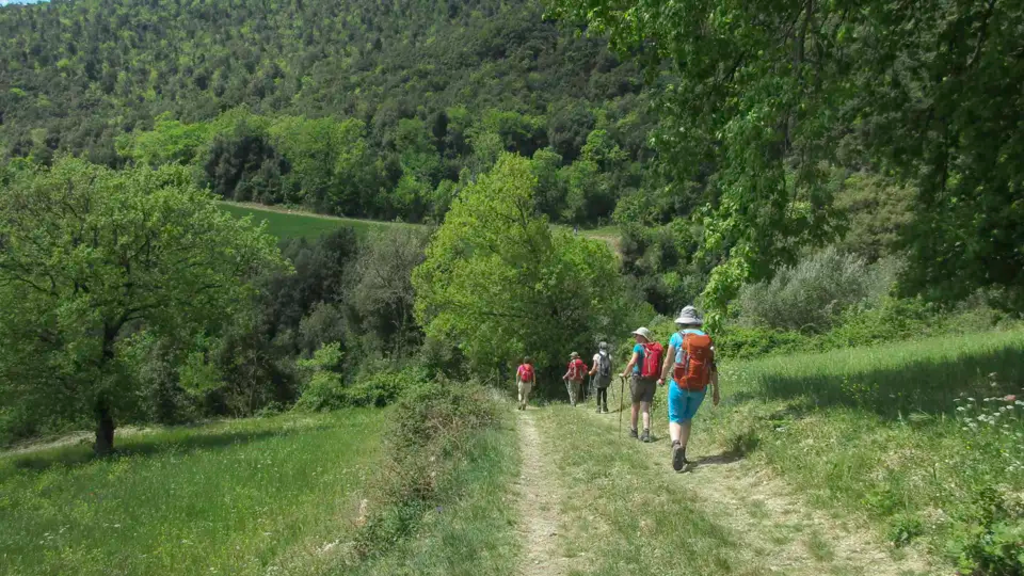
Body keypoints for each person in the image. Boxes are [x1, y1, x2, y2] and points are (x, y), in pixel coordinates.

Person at [658, 306, 719, 472]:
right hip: (700, 387)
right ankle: (683, 452)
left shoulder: (676, 337)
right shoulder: (707, 338)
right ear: (696, 321)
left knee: (675, 417)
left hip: (679, 384)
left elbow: (668, 362)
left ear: (682, 321)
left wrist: (662, 378)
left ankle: (676, 444)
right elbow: (712, 366)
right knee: (687, 417)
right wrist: (716, 391)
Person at [621, 327, 657, 442]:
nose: (635, 337)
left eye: (636, 335)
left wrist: (624, 374)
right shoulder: (654, 348)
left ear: (642, 337)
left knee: (635, 406)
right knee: (645, 407)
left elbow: (632, 362)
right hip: (651, 381)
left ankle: (634, 431)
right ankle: (646, 432)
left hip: (638, 380)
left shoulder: (638, 347)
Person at [589, 342, 612, 413]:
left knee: (599, 391)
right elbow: (611, 367)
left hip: (599, 375)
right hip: (606, 376)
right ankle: (605, 408)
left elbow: (594, 367)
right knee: (604, 390)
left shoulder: (597, 355)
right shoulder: (609, 356)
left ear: (600, 347)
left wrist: (591, 372)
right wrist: (611, 376)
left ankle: (598, 408)